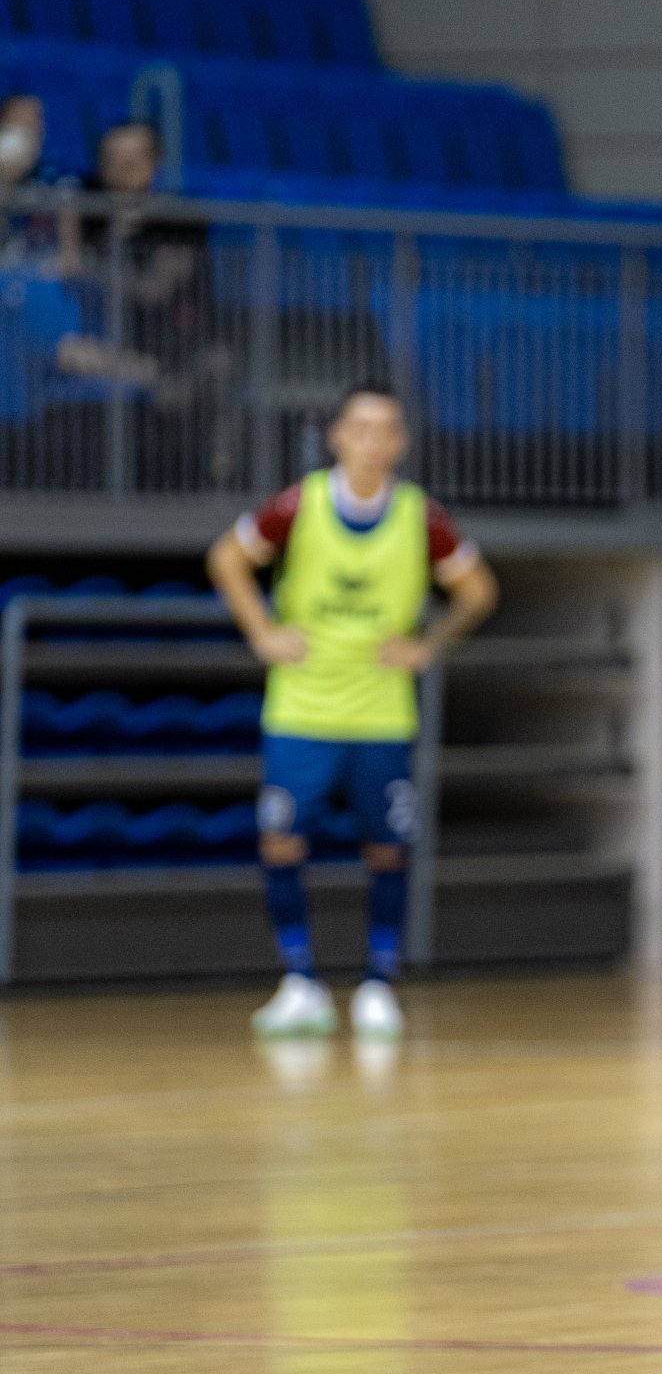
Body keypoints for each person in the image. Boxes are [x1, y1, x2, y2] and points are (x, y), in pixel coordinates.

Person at [207, 382, 498, 1042]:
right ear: (336, 435)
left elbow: (478, 591)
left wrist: (429, 644)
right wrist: (261, 632)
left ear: (400, 442)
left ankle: (378, 983)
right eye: (360, 427)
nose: (373, 439)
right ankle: (300, 981)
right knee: (281, 838)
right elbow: (226, 558)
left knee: (387, 848)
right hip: (301, 707)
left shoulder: (419, 516)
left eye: (387, 428)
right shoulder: (298, 505)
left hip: (380, 711)